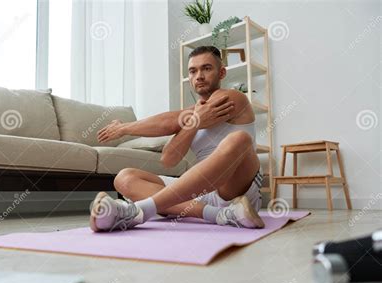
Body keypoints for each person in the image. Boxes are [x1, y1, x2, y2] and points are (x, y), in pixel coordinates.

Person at [90, 46, 265, 232]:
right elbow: (168, 159)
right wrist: (195, 123)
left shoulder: (233, 99)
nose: (199, 76)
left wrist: (123, 128)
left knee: (239, 139)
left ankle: (140, 211)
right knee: (124, 178)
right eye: (193, 71)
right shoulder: (192, 117)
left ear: (221, 73)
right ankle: (220, 215)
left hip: (236, 189)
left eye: (206, 68)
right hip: (204, 193)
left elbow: (170, 122)